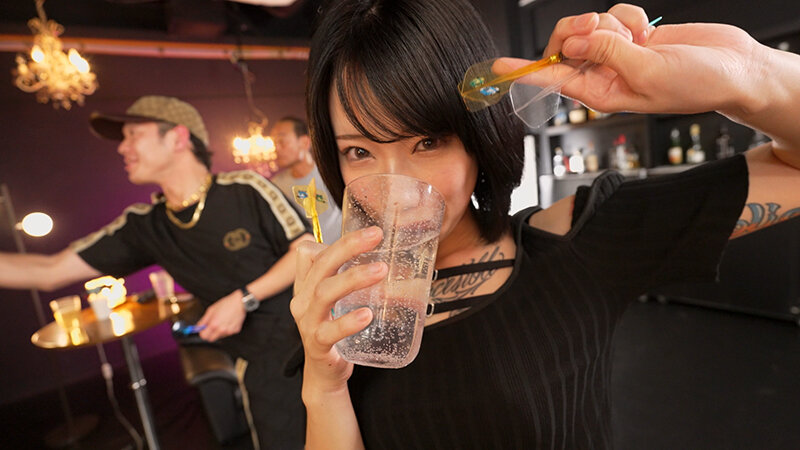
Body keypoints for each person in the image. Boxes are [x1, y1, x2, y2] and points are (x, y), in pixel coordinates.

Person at [289, 1, 800, 448]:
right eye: (359, 152)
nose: (396, 193)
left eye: (428, 142)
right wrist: (324, 386)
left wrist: (748, 73)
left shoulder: (579, 244)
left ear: (478, 136)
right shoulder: (344, 304)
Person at [0, 95, 312, 449]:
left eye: (134, 134)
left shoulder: (244, 188)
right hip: (262, 365)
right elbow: (50, 271)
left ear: (178, 137)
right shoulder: (145, 225)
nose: (123, 148)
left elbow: (305, 250)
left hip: (313, 337)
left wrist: (243, 299)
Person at [269, 116, 342, 244]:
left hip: (345, 249)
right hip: (308, 254)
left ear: (304, 143)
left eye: (282, 142)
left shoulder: (333, 172)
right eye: (274, 143)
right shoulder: (276, 186)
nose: (277, 148)